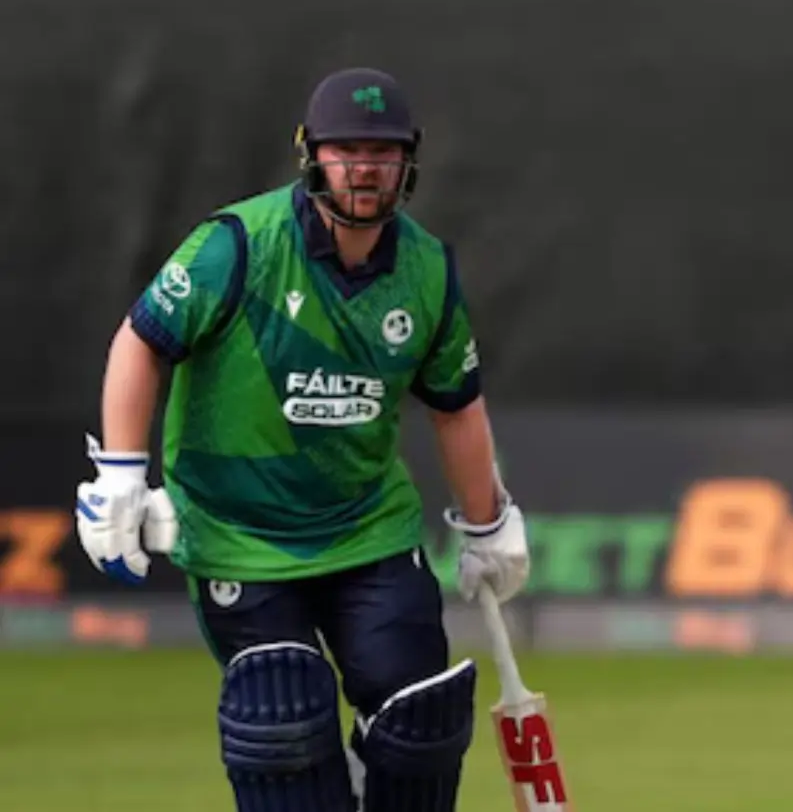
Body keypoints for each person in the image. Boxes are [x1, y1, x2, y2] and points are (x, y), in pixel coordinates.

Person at [73, 68, 533, 812]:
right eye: (346, 150)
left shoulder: (425, 270)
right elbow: (142, 340)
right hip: (241, 536)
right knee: (280, 718)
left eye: (382, 153)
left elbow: (456, 407)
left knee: (420, 718)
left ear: (408, 162)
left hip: (367, 531)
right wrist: (122, 473)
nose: (364, 168)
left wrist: (488, 524)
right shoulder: (238, 245)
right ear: (311, 154)